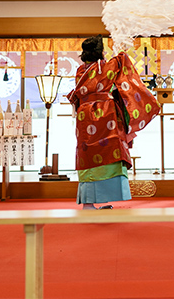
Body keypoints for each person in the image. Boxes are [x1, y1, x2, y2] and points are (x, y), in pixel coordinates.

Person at [67, 35, 161, 210]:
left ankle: (89, 202)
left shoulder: (81, 71)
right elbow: (121, 61)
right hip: (105, 114)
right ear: (101, 52)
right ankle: (96, 199)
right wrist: (121, 49)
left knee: (87, 155)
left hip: (84, 115)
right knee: (110, 152)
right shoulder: (105, 67)